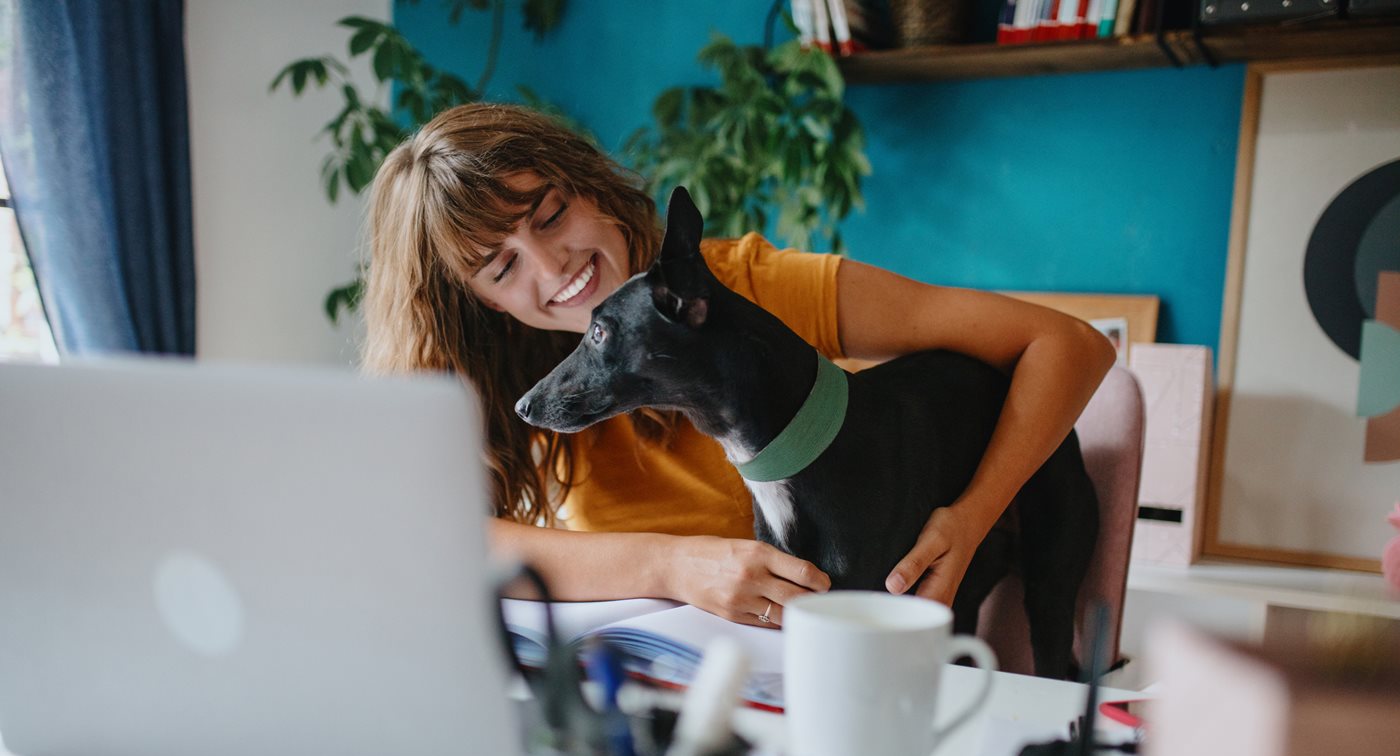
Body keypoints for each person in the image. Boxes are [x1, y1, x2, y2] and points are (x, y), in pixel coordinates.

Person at [362, 103, 1115, 628]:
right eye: (501, 268)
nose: (551, 262)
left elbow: (1070, 345)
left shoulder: (755, 292)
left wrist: (975, 515)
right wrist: (669, 567)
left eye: (550, 214)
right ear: (481, 301)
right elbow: (436, 538)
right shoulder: (522, 376)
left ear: (588, 183)